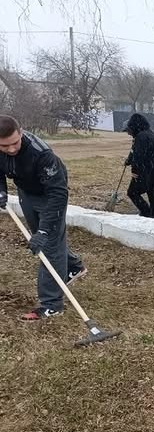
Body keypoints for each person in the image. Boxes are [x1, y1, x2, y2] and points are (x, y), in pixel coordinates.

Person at [0, 114, 87, 320]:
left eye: (15, 143)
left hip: (50, 193)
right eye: (4, 146)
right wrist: (1, 191)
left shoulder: (41, 154)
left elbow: (58, 194)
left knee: (47, 244)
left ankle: (51, 305)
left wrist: (45, 231)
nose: (11, 149)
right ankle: (74, 266)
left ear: (21, 132)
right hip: (26, 189)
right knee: (45, 238)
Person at [122, 113, 154, 220]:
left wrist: (135, 171)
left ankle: (146, 212)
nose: (128, 133)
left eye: (129, 130)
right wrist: (129, 161)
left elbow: (139, 155)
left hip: (146, 171)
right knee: (153, 194)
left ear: (134, 126)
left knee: (132, 192)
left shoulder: (141, 137)